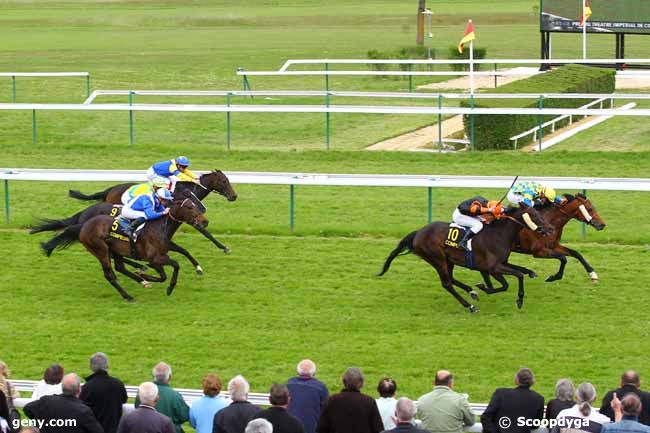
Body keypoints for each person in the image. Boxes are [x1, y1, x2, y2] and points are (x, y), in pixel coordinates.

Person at [23, 373, 104, 433]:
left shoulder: (46, 402)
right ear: (79, 390)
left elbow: (27, 409)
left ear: (62, 388)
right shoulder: (84, 411)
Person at [316, 367, 383, 433]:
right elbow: (378, 429)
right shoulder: (369, 402)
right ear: (361, 383)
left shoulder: (331, 401)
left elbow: (321, 429)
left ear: (343, 382)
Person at [480, 368, 544, 433]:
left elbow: (486, 417)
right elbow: (535, 424)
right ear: (532, 381)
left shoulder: (500, 393)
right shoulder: (538, 399)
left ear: (517, 379)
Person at [79, 352, 128, 433]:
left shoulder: (87, 387)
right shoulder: (118, 384)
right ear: (107, 365)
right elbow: (124, 400)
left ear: (91, 367)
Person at [135, 362, 189, 433]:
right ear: (170, 377)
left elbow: (137, 409)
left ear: (153, 375)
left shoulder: (142, 393)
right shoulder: (175, 396)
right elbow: (184, 416)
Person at [287, 360, 329, 433]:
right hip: (311, 428)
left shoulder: (289, 384)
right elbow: (326, 410)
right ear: (314, 373)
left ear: (297, 372)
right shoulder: (320, 387)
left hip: (290, 427)